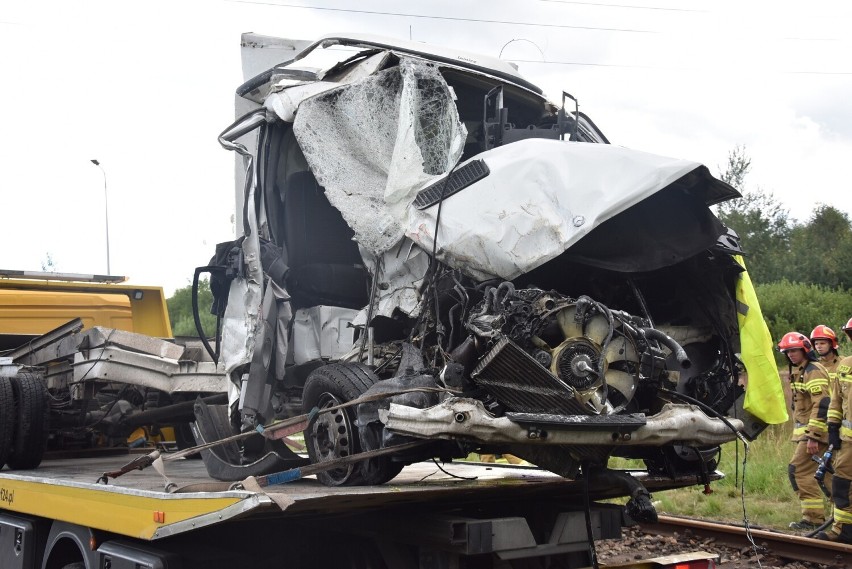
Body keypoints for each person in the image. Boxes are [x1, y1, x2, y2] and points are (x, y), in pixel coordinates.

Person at [778, 331, 832, 530]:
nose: (791, 354)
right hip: (815, 434)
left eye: (794, 350)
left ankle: (813, 519)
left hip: (817, 435)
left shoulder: (813, 370)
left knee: (798, 470)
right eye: (788, 351)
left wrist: (813, 437)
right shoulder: (800, 370)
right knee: (827, 476)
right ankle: (842, 517)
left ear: (805, 350)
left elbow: (822, 404)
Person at [818, 318, 852, 544]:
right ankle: (844, 531)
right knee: (841, 485)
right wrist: (832, 428)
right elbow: (836, 401)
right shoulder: (846, 365)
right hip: (848, 442)